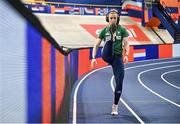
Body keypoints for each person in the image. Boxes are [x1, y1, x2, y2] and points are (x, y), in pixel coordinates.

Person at [91, 9, 129, 115]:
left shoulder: (122, 30)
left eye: (115, 18)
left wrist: (126, 55)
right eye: (111, 18)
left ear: (117, 19)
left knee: (120, 82)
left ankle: (115, 106)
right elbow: (96, 44)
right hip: (107, 55)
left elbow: (126, 43)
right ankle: (111, 39)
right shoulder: (104, 30)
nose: (113, 19)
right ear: (108, 19)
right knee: (109, 42)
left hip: (117, 58)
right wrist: (93, 57)